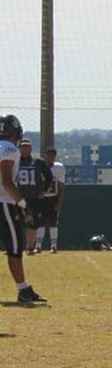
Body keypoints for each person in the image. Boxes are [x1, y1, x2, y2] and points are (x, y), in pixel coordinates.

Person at [0, 115, 44, 304]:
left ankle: (25, 288)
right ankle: (23, 290)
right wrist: (22, 203)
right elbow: (7, 181)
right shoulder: (8, 149)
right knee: (15, 247)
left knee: (15, 246)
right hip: (4, 203)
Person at [17, 139, 53, 255]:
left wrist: (44, 190)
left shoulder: (38, 162)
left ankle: (30, 247)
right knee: (16, 222)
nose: (25, 149)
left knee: (32, 223)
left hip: (34, 197)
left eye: (27, 147)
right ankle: (15, 246)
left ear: (31, 149)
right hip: (18, 196)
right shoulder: (15, 161)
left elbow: (49, 176)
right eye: (23, 147)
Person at [35, 146, 66, 252]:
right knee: (40, 222)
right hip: (41, 198)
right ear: (44, 156)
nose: (50, 158)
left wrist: (59, 202)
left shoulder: (59, 167)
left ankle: (53, 246)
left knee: (53, 222)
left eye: (52, 156)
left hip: (53, 198)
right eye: (48, 155)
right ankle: (38, 245)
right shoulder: (38, 166)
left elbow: (61, 186)